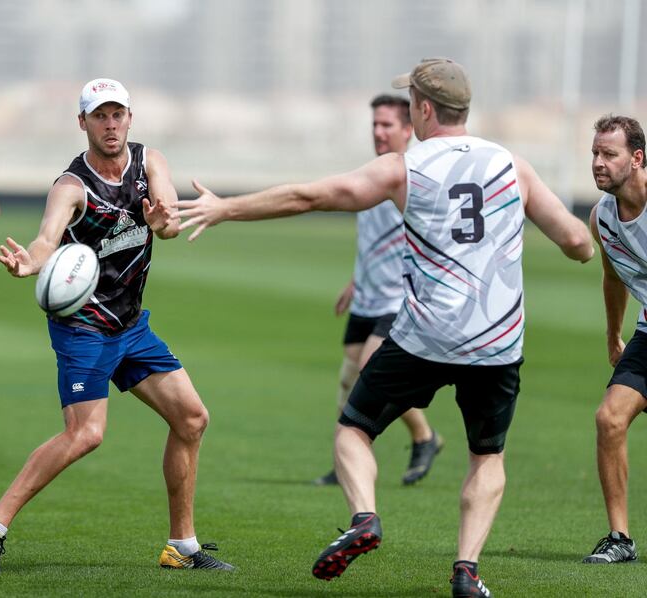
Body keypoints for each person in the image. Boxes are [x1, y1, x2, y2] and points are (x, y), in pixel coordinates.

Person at [178, 58, 593, 597]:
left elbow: (311, 196)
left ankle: (365, 518)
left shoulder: (406, 166)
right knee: (487, 457)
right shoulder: (513, 165)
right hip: (497, 342)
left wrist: (225, 208)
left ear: (422, 108)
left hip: (425, 335)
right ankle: (466, 571)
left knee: (353, 429)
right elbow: (578, 244)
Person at [0, 79, 233, 575]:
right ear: (82, 122)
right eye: (99, 116)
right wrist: (31, 263)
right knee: (86, 434)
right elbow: (47, 238)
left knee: (192, 418)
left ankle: (182, 546)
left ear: (130, 118)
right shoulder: (71, 185)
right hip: (83, 327)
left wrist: (160, 220)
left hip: (129, 325)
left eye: (118, 115)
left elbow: (169, 224)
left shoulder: (150, 162)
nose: (110, 124)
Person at [313, 94, 443, 488]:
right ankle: (351, 457)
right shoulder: (370, 174)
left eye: (387, 125)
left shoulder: (414, 179)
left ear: (408, 130)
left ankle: (414, 438)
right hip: (367, 294)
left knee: (372, 369)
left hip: (398, 299)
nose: (378, 132)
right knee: (351, 372)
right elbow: (373, 239)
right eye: (375, 124)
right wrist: (355, 282)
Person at [583, 115, 647, 565]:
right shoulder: (602, 217)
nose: (598, 163)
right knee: (610, 419)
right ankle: (620, 538)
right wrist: (613, 336)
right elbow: (612, 277)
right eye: (595, 153)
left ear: (637, 158)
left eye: (609, 154)